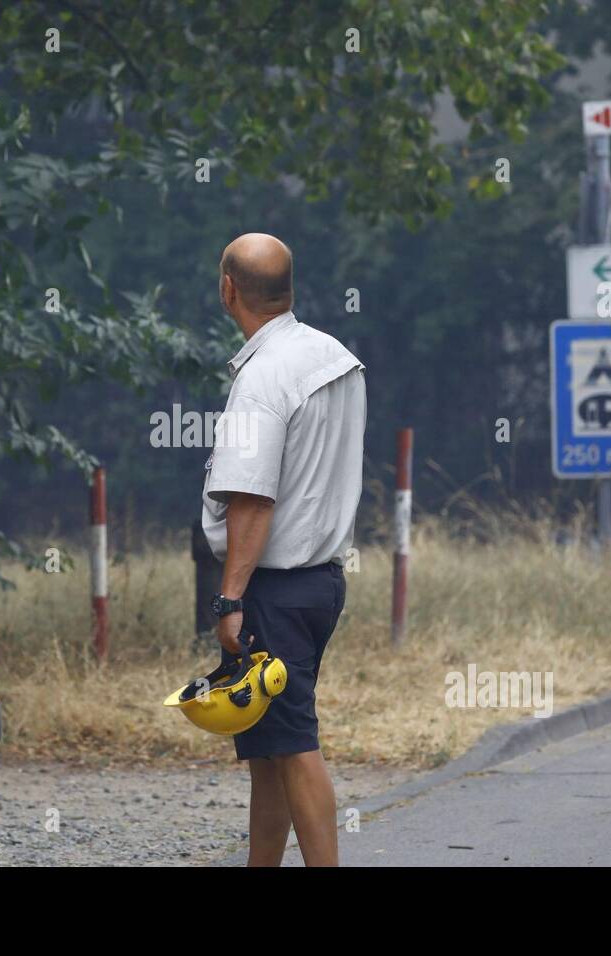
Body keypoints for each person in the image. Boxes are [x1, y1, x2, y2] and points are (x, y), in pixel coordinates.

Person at [201, 232, 366, 867]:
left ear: (228, 289)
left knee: (293, 744)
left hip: (272, 588)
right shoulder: (334, 358)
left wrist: (229, 599)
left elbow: (252, 499)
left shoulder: (261, 377)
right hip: (321, 581)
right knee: (268, 750)